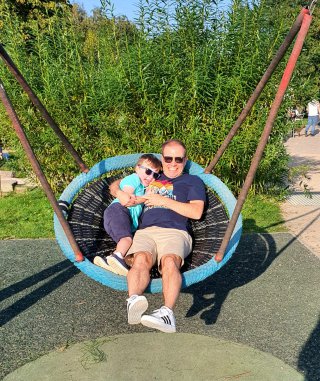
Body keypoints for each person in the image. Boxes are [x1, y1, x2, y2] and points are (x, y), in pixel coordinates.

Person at [110, 139, 206, 333]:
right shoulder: (151, 175)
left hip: (175, 232)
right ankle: (134, 300)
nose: (172, 163)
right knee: (141, 259)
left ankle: (167, 314)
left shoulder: (192, 181)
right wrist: (119, 193)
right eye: (168, 158)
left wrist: (160, 200)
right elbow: (115, 184)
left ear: (185, 160)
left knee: (170, 261)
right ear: (162, 159)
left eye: (178, 159)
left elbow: (196, 212)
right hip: (145, 231)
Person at [94, 154, 162, 276]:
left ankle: (107, 261)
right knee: (127, 239)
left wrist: (148, 192)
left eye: (155, 175)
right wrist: (147, 197)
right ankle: (117, 257)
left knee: (127, 240)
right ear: (137, 168)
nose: (150, 176)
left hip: (124, 219)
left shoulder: (143, 187)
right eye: (147, 171)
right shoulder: (134, 178)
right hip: (118, 211)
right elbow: (128, 199)